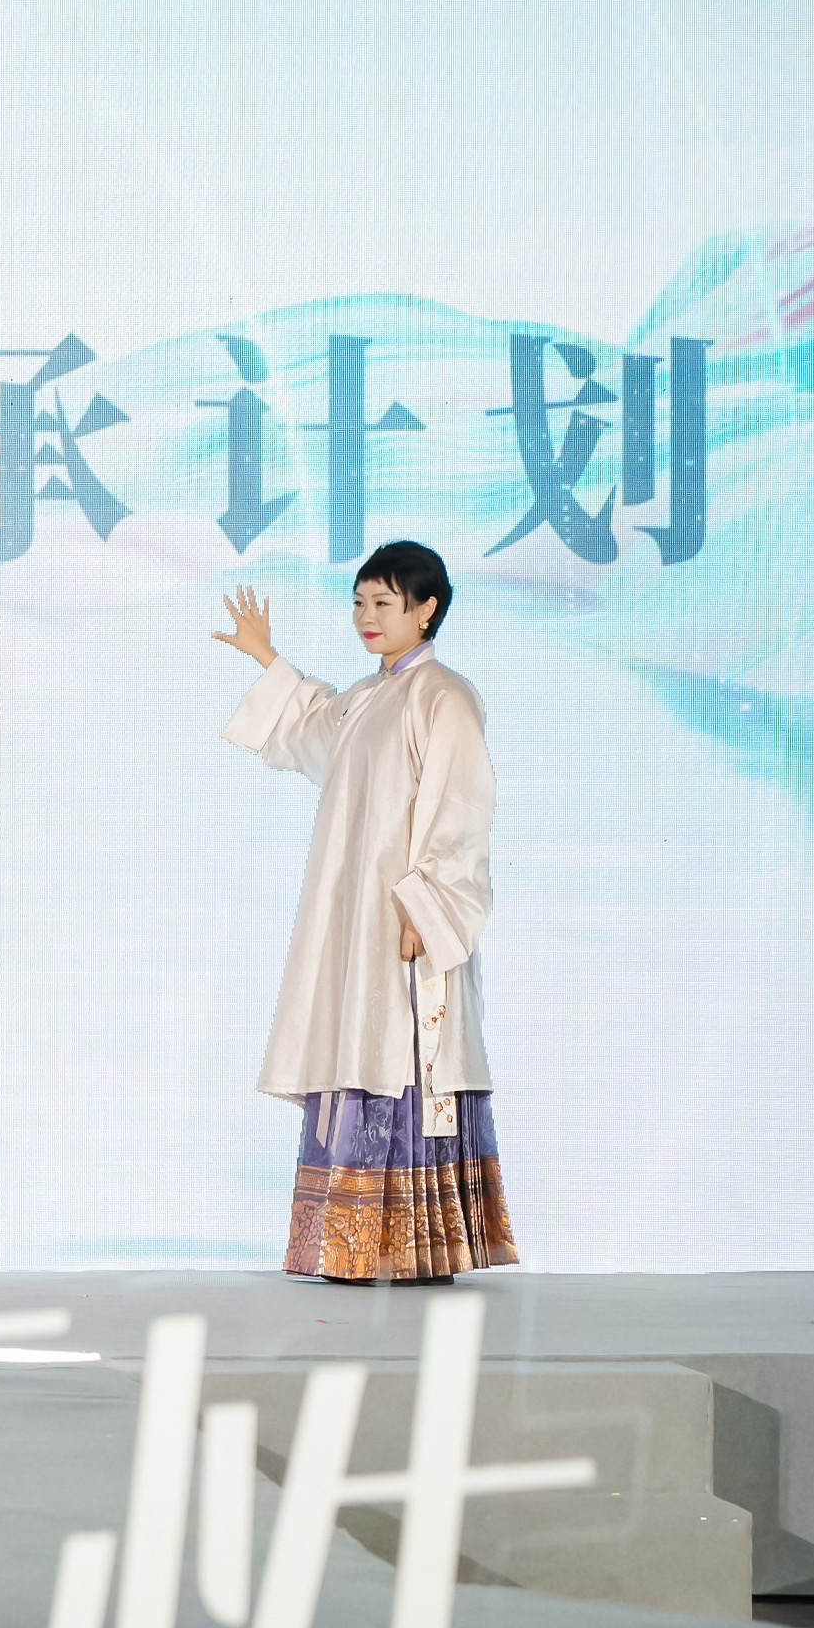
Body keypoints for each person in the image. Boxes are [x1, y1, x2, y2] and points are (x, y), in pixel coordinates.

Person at [210, 542, 517, 1281]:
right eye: (358, 602)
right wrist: (266, 657)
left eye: (383, 602)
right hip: (357, 918)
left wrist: (428, 904)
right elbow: (313, 726)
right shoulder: (368, 696)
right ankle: (354, 1246)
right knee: (358, 1044)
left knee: (402, 1055)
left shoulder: (443, 696)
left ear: (427, 608)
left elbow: (461, 807)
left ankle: (415, 1247)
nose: (366, 617)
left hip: (406, 917)